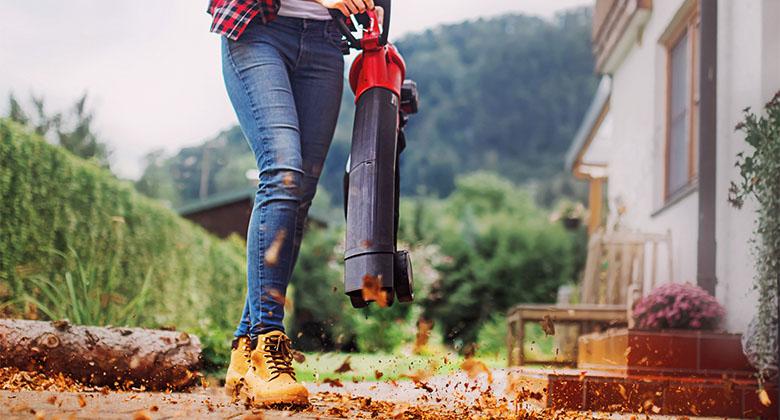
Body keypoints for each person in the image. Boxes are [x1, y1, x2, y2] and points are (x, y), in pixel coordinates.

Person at [207, 0, 379, 406]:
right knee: (283, 172)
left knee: (299, 195)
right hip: (259, 31)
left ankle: (244, 352)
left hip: (325, 43)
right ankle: (269, 349)